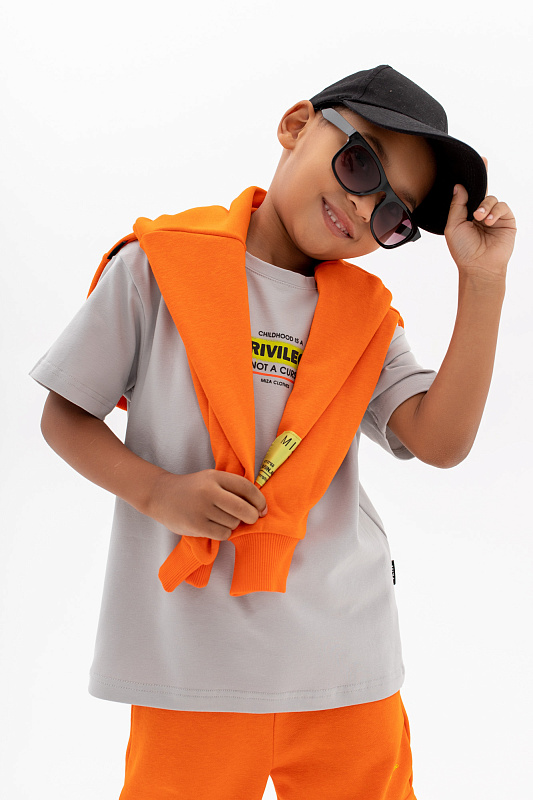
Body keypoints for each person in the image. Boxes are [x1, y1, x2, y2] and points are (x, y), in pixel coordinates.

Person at [30, 64, 516, 800]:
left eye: (392, 215)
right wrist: (159, 493)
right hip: (190, 669)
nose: (362, 208)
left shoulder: (367, 320)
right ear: (295, 126)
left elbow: (440, 442)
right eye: (361, 164)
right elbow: (65, 413)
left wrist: (483, 282)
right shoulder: (157, 268)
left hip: (346, 666)